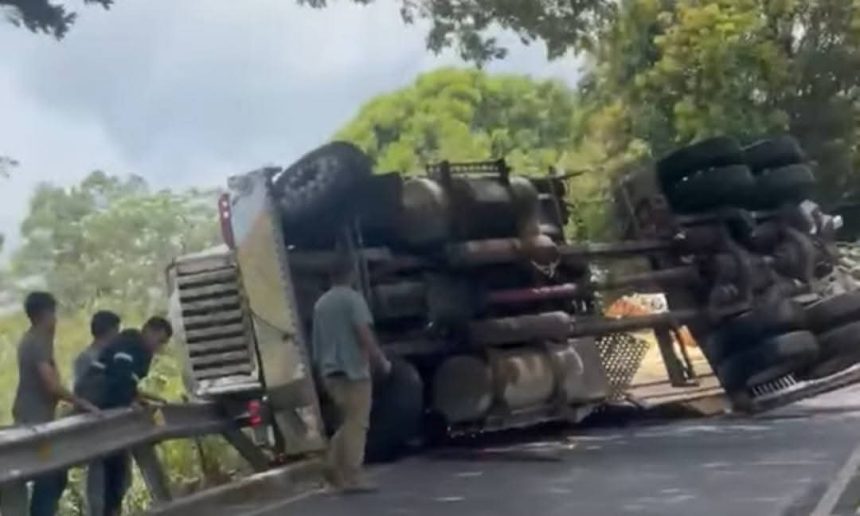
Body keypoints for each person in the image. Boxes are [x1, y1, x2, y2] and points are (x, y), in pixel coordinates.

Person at [75, 316, 173, 516]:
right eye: (159, 340)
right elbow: (120, 376)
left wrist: (140, 397)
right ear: (148, 331)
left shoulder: (143, 353)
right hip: (98, 401)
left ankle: (112, 509)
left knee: (117, 470)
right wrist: (131, 401)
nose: (159, 347)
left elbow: (128, 382)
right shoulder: (129, 343)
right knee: (108, 470)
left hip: (112, 406)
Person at [12, 291, 99, 516]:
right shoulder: (37, 341)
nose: (56, 319)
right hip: (35, 420)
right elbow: (50, 384)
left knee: (54, 474)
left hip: (36, 417)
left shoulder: (33, 339)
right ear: (45, 314)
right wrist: (81, 403)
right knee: (50, 475)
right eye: (53, 313)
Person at [311, 257, 391, 493]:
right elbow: (363, 332)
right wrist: (380, 360)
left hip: (330, 371)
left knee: (347, 421)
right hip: (353, 369)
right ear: (351, 274)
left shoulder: (320, 304)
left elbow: (316, 342)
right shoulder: (353, 299)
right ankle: (354, 475)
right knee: (358, 423)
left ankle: (332, 469)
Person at [73, 310, 121, 516]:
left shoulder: (113, 357)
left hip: (115, 424)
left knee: (118, 478)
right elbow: (84, 392)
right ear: (109, 332)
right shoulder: (86, 359)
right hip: (97, 425)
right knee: (98, 479)